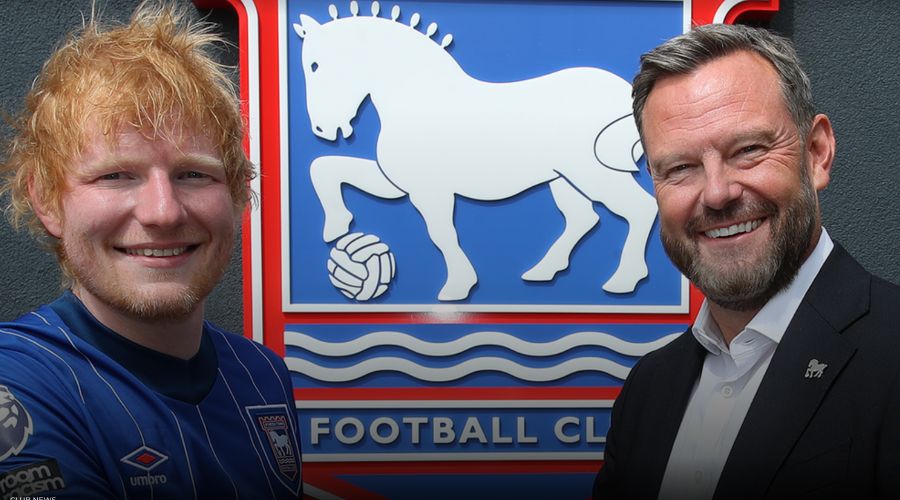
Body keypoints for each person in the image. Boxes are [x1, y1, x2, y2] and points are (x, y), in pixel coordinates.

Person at [0, 2, 302, 498]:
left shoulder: (263, 375)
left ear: (237, 193)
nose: (163, 212)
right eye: (115, 175)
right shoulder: (21, 380)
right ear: (46, 199)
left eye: (194, 174)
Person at [593, 23, 900, 499]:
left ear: (817, 154)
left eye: (749, 151)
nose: (716, 194)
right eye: (680, 168)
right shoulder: (647, 391)